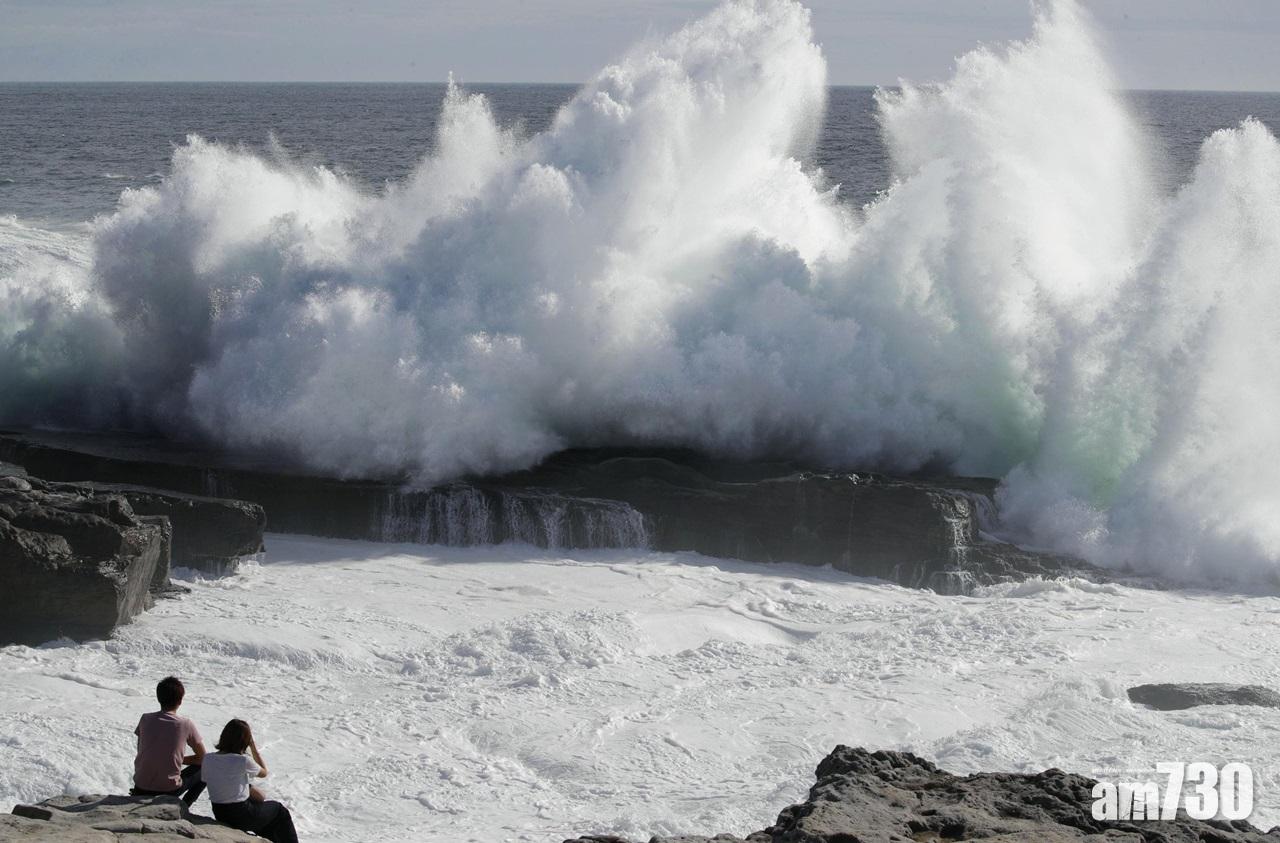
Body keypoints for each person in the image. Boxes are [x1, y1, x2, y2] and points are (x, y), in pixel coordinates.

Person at [202, 719, 298, 843]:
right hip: (241, 814)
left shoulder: (208, 758)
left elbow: (211, 780)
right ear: (244, 741)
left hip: (219, 812)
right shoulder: (242, 760)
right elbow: (264, 772)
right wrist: (253, 748)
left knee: (264, 815)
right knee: (279, 811)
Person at [131, 676, 206, 806]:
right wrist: (179, 759)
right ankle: (183, 807)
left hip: (140, 787)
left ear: (158, 698)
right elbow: (203, 758)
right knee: (207, 767)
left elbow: (143, 750)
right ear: (180, 701)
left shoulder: (145, 719)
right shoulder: (185, 724)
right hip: (168, 790)